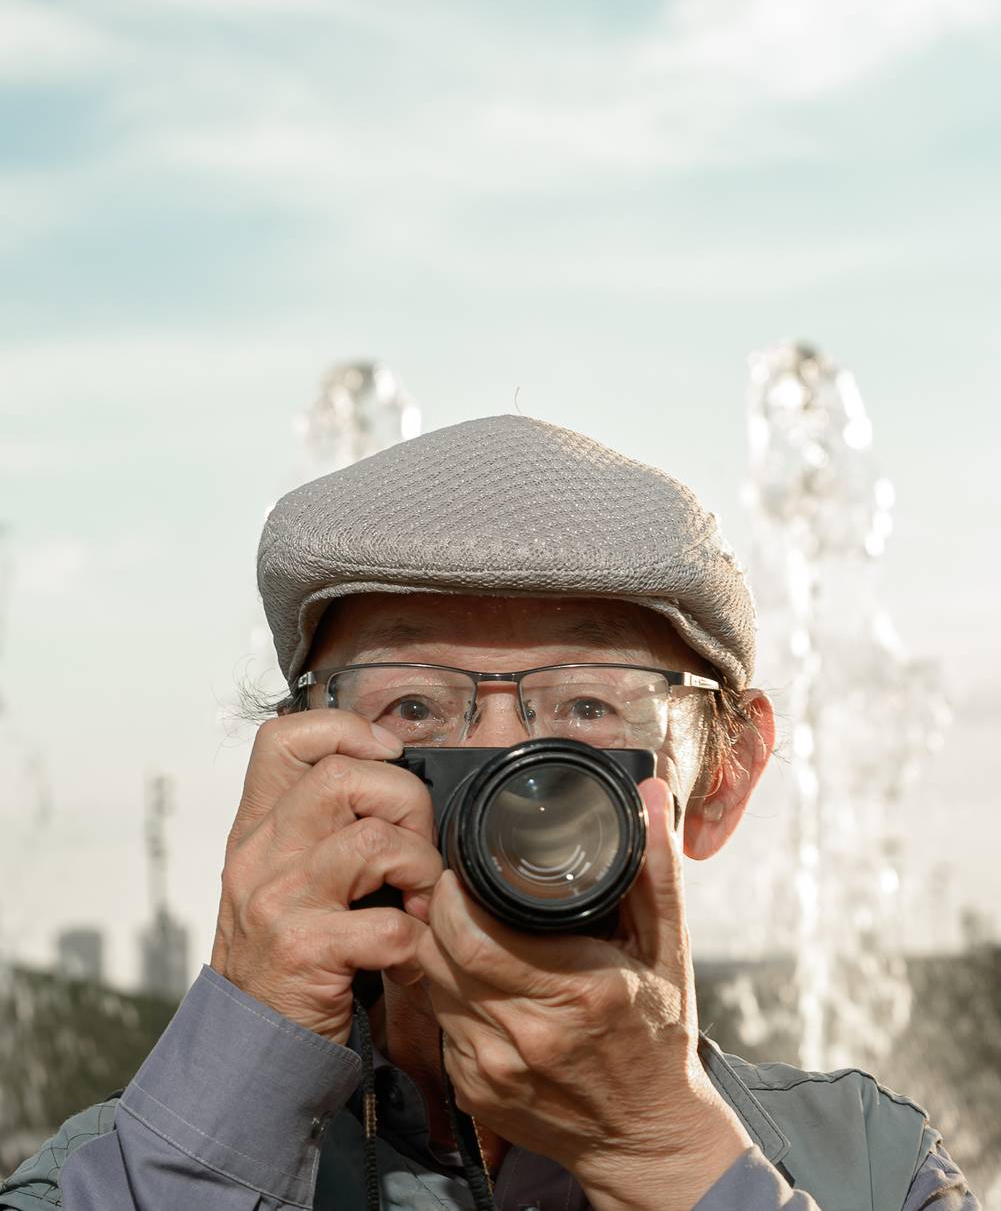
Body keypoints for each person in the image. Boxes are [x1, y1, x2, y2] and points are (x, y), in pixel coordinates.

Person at [0, 415, 978, 1211]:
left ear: (720, 779)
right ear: (298, 777)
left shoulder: (871, 1165)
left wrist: (667, 1157)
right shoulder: (124, 1170)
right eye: (413, 707)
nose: (510, 770)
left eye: (585, 708)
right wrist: (241, 1063)